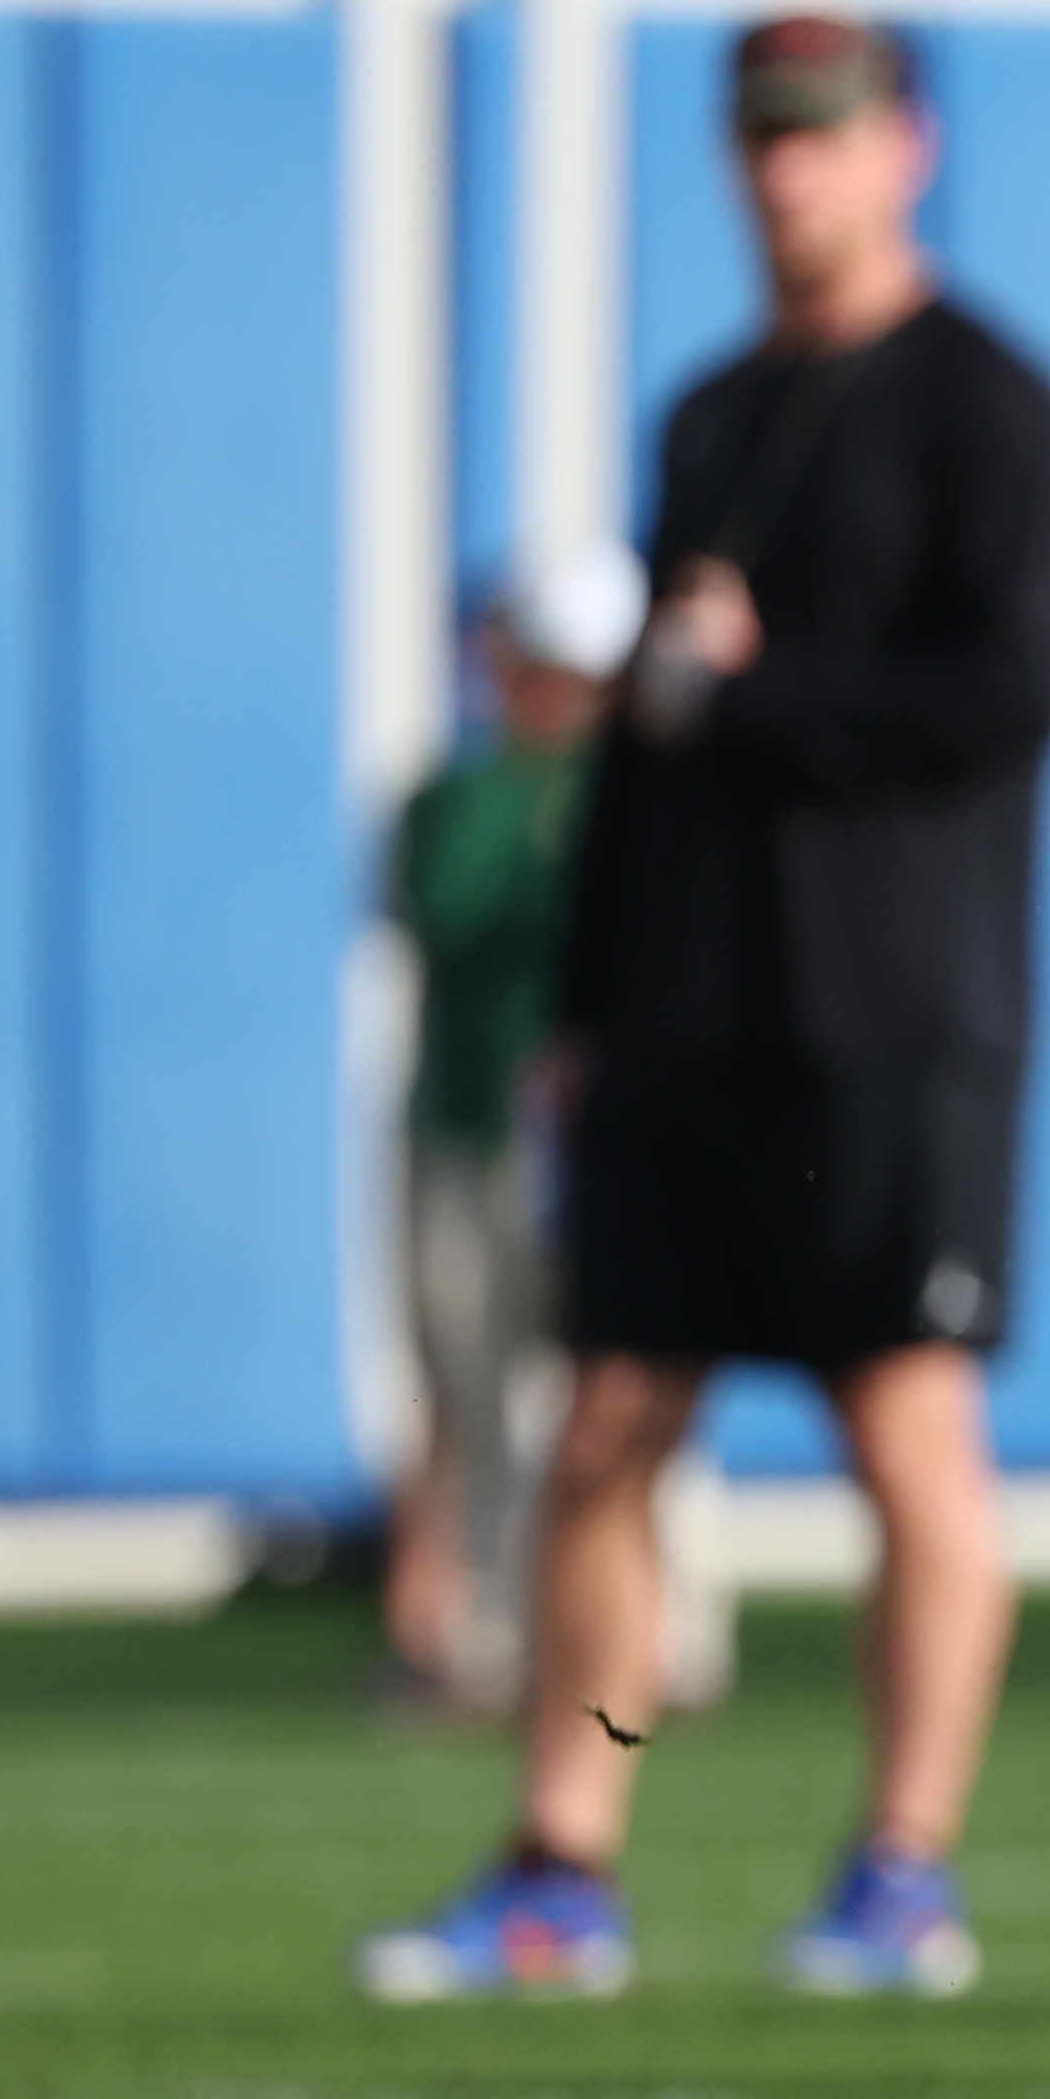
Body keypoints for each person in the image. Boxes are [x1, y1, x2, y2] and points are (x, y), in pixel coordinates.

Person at [353, 12, 1050, 2005]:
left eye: (825, 135)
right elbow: (650, 751)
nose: (789, 172)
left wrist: (753, 689)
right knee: (601, 1430)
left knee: (906, 1436)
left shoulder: (992, 409)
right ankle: (556, 1866)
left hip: (890, 1015)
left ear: (905, 146)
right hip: (686, 1022)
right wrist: (579, 1003)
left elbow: (1003, 697)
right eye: (762, 137)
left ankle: (901, 1867)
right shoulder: (705, 417)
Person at [378, 538, 647, 1711]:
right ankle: (494, 1635)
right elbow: (444, 904)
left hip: (622, 1134)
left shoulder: (646, 793)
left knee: (634, 1389)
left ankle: (659, 1641)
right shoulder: (463, 793)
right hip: (472, 1121)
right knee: (476, 1381)